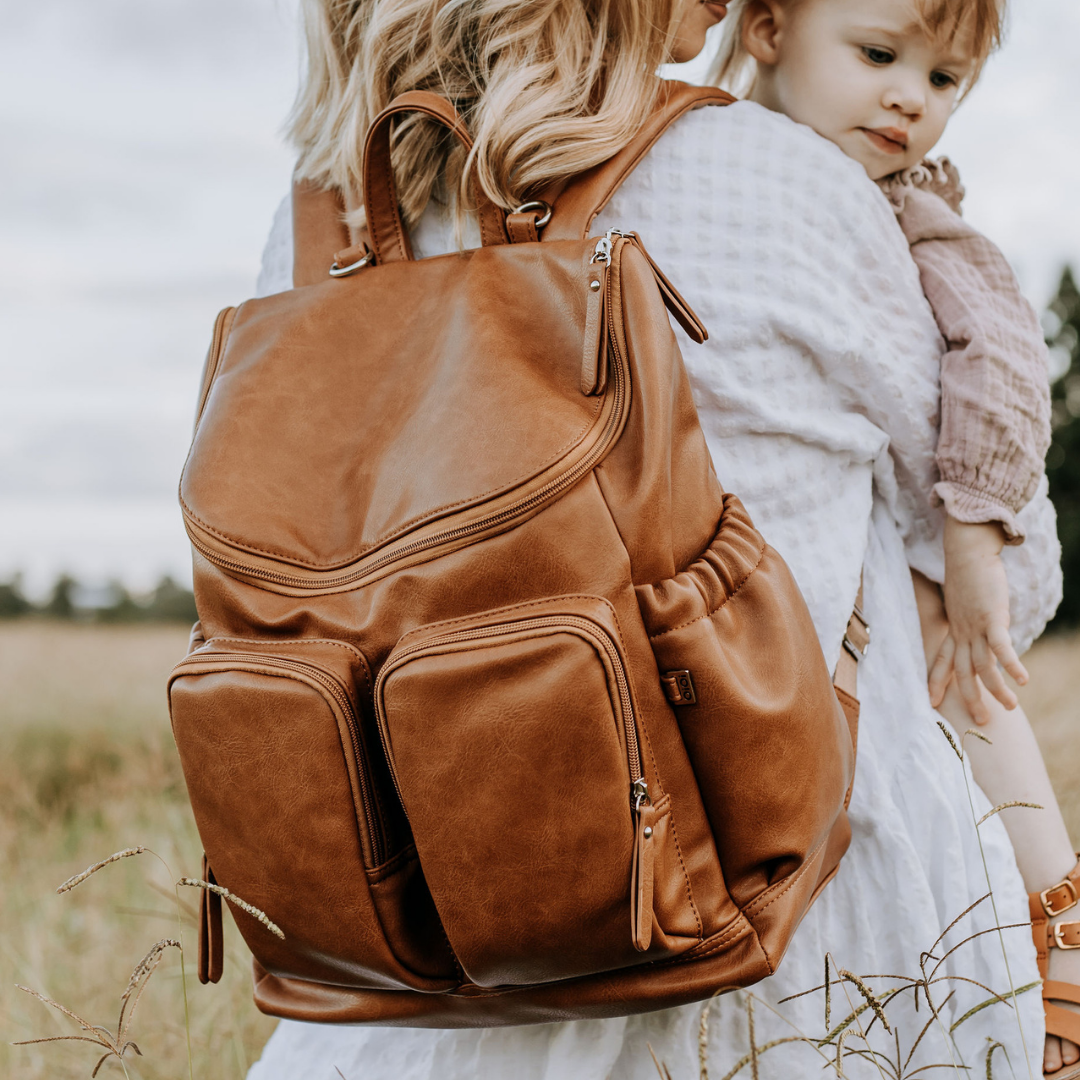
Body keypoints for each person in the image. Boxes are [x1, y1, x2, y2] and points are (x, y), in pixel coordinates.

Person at [246, 0, 1064, 1075]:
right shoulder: (787, 178)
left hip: (416, 942)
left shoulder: (329, 210)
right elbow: (1011, 578)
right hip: (784, 947)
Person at [710, 1, 1077, 1072]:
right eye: (879, 57)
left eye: (946, 80)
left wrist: (970, 541)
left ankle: (1058, 900)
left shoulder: (912, 214)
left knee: (962, 645)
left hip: (904, 560)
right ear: (768, 31)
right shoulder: (733, 158)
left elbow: (1002, 361)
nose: (912, 97)